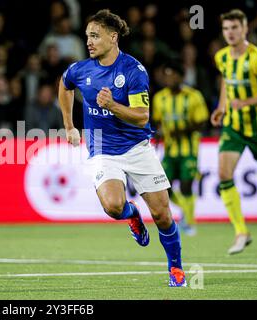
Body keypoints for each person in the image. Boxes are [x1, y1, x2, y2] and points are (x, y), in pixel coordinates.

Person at [58, 9, 186, 287]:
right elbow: (64, 85)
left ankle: (175, 268)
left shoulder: (133, 70)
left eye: (95, 36)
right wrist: (69, 125)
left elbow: (142, 116)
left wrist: (112, 106)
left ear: (113, 37)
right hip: (102, 148)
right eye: (87, 36)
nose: (89, 41)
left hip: (137, 148)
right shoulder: (81, 69)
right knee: (114, 206)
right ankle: (132, 215)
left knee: (163, 215)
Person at [211, 9, 257, 255]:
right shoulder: (222, 57)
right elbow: (227, 80)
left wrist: (245, 103)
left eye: (235, 28)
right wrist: (222, 107)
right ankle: (241, 231)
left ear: (245, 29)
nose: (230, 33)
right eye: (226, 29)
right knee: (224, 173)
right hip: (234, 127)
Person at [152, 61, 209, 236]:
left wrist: (182, 131)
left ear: (181, 76)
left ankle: (189, 223)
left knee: (186, 186)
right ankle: (187, 212)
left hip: (189, 150)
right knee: (164, 188)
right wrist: (159, 134)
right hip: (169, 151)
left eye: (173, 74)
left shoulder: (193, 96)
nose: (170, 78)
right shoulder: (159, 98)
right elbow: (158, 121)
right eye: (167, 75)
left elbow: (201, 122)